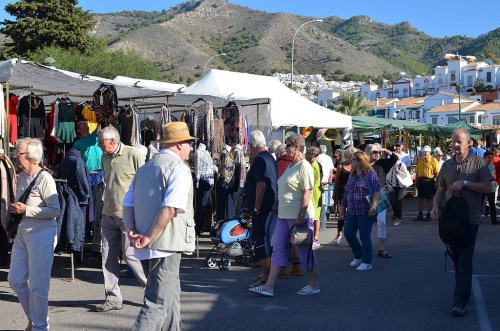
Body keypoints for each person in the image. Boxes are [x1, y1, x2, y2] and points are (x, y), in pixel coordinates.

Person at [123, 122, 197, 330]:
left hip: (149, 241)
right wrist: (147, 235)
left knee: (170, 297)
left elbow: (128, 203)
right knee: (157, 302)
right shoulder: (179, 169)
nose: (191, 148)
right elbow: (170, 208)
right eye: (189, 144)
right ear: (179, 144)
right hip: (165, 242)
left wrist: (132, 232)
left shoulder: (144, 169)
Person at [430, 128, 493, 317]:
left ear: (469, 143)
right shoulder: (447, 165)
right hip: (450, 218)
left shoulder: (479, 164)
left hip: (470, 219)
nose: (455, 145)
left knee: (464, 259)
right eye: (453, 141)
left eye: (459, 141)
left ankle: (460, 301)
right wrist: (435, 206)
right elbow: (441, 189)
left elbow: (488, 187)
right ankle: (465, 290)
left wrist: (466, 183)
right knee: (457, 258)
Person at [249, 133, 319, 296]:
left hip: (298, 216)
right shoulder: (291, 165)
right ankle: (269, 286)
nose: (285, 148)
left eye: (288, 145)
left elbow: (307, 192)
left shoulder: (304, 166)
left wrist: (301, 215)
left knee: (304, 250)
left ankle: (314, 283)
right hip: (284, 215)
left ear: (297, 147)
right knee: (278, 248)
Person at [8, 138, 61, 331]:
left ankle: (40, 326)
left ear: (31, 156)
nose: (15, 155)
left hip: (42, 235)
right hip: (22, 234)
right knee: (15, 280)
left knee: (38, 286)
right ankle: (36, 318)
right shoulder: (21, 177)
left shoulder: (45, 178)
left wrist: (26, 210)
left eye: (18, 153)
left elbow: (55, 210)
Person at [94, 126, 147, 312]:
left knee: (131, 255)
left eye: (101, 142)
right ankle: (113, 298)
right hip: (108, 212)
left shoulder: (133, 154)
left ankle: (151, 291)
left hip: (128, 214)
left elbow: (145, 183)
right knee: (107, 257)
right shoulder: (104, 156)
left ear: (113, 141)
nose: (99, 145)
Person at [244, 130, 278, 288]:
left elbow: (261, 185)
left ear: (252, 146)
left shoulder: (259, 160)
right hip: (270, 205)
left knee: (261, 240)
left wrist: (256, 207)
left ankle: (266, 279)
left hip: (263, 207)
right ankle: (266, 275)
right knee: (265, 240)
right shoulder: (269, 157)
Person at [339, 150, 380, 271]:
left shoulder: (370, 174)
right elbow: (347, 193)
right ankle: (358, 255)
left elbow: (376, 191)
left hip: (365, 210)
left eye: (353, 160)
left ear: (360, 162)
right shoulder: (352, 175)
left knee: (364, 236)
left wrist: (373, 206)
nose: (351, 162)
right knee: (348, 233)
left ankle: (367, 261)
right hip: (351, 210)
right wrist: (342, 208)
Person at [365, 143, 397, 258]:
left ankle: (381, 248)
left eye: (378, 152)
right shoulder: (364, 165)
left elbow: (394, 158)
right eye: (374, 152)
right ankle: (365, 247)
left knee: (381, 223)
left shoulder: (382, 164)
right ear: (368, 153)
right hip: (366, 198)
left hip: (380, 198)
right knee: (365, 224)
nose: (377, 154)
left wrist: (384, 149)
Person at [332, 148, 354, 245]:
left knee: (351, 214)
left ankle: (350, 235)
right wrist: (334, 192)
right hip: (342, 192)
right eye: (353, 155)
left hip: (353, 192)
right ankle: (339, 234)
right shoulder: (341, 166)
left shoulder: (356, 166)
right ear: (349, 155)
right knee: (342, 214)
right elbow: (336, 180)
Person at [414, 145, 439, 222]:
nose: (424, 153)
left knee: (430, 198)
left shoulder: (433, 160)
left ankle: (428, 214)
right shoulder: (420, 160)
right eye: (423, 152)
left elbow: (437, 173)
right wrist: (416, 182)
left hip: (429, 181)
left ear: (429, 152)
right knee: (419, 198)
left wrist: (436, 182)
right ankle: (420, 214)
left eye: (426, 152)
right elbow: (417, 173)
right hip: (421, 180)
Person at [386, 154, 411, 227]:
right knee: (393, 202)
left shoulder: (401, 164)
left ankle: (398, 219)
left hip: (400, 186)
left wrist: (398, 171)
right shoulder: (391, 165)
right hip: (392, 186)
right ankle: (396, 216)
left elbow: (406, 175)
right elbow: (388, 174)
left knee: (398, 202)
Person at [305, 147, 322, 249]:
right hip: (315, 192)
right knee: (314, 216)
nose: (306, 155)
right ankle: (314, 237)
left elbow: (312, 180)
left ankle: (315, 237)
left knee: (315, 216)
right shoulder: (312, 164)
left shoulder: (314, 165)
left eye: (307, 154)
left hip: (315, 193)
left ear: (312, 155)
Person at [317, 145, 334, 230]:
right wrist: (330, 180)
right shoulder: (329, 158)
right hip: (327, 181)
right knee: (326, 201)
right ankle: (324, 219)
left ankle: (321, 220)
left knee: (320, 201)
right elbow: (331, 171)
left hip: (319, 182)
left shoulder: (317, 158)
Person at [482, 151, 499, 224]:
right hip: (481, 187)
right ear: (484, 157)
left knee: (492, 204)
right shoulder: (480, 165)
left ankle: (494, 220)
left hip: (490, 187)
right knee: (479, 203)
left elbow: (493, 176)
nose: (490, 159)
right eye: (489, 157)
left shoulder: (492, 165)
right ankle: (475, 219)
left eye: (491, 157)